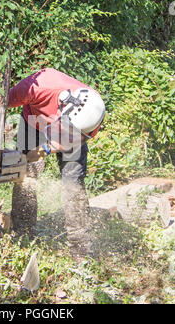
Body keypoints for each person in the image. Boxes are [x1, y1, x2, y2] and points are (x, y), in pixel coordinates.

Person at [7, 68, 105, 262]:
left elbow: (72, 140)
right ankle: (23, 235)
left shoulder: (92, 114)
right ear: (63, 106)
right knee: (24, 177)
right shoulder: (37, 87)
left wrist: (47, 148)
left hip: (70, 133)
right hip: (33, 123)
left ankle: (82, 251)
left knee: (73, 184)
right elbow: (0, 104)